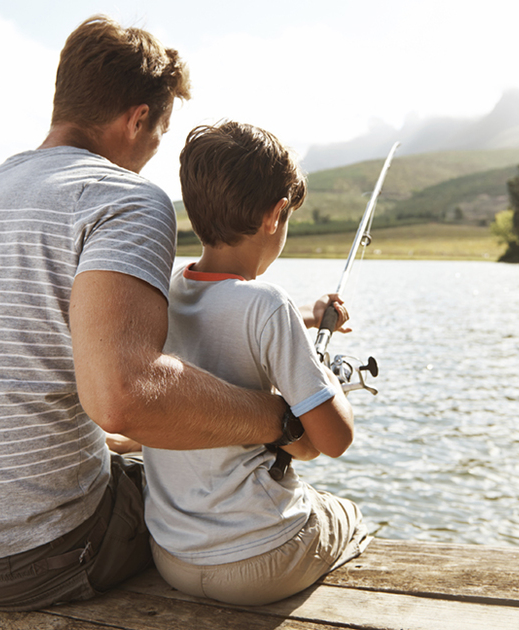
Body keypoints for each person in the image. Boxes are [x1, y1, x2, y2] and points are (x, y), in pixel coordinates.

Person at [0, 16, 298, 611]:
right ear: (138, 117)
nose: (148, 156)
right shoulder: (124, 196)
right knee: (204, 492)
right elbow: (125, 395)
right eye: (158, 134)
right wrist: (277, 419)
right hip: (31, 558)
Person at [141, 121, 370, 607]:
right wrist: (322, 369)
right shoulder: (270, 305)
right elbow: (334, 440)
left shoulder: (163, 289)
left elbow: (221, 316)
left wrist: (306, 321)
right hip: (260, 562)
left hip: (173, 557)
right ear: (276, 214)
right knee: (347, 514)